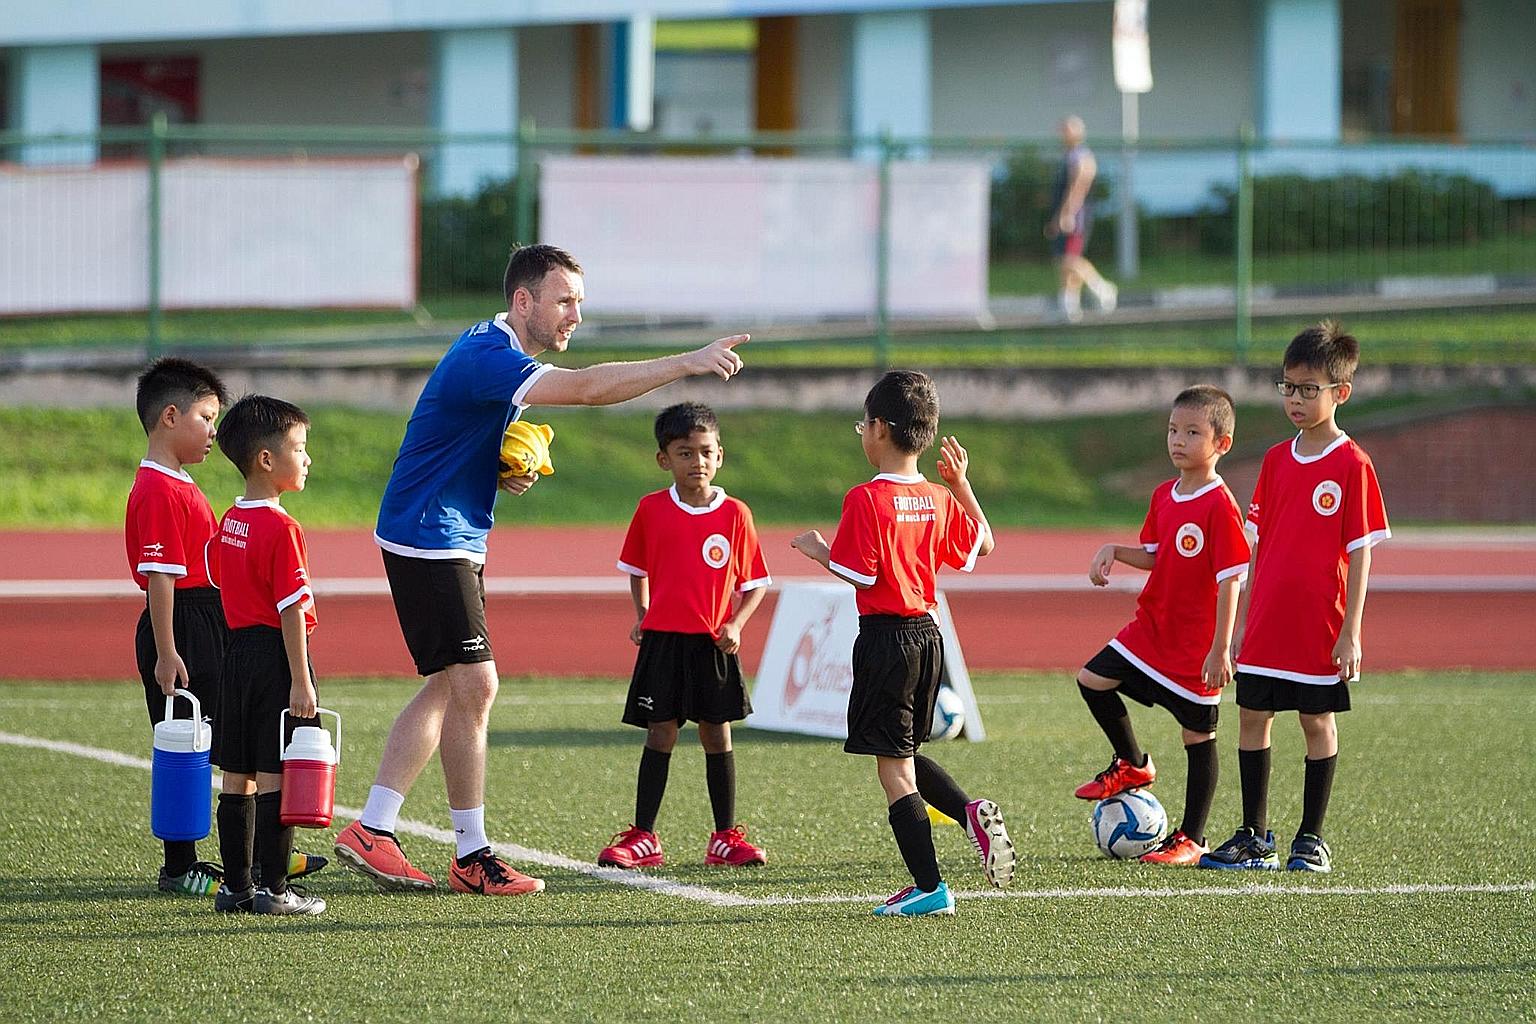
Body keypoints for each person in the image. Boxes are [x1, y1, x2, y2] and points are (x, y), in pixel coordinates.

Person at [335, 244, 750, 896]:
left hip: (447, 533)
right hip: (430, 535)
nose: (576, 315)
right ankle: (467, 854)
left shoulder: (497, 354)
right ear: (523, 300)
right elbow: (588, 388)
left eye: (580, 302)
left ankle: (377, 828)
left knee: (453, 686)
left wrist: (504, 466)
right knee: (478, 684)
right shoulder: (488, 356)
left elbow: (460, 435)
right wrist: (687, 363)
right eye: (565, 301)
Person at [790, 370, 1015, 917]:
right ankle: (968, 811)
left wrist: (818, 549)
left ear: (880, 429)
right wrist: (961, 485)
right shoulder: (938, 497)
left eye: (862, 425)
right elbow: (982, 545)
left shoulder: (866, 498)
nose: (861, 434)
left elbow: (859, 573)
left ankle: (930, 887)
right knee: (907, 754)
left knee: (892, 768)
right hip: (929, 636)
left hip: (886, 639)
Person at [1200, 322, 1390, 874]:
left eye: (1310, 389)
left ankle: (1311, 838)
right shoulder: (1276, 461)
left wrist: (1351, 630)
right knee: (1253, 716)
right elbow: (1255, 547)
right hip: (1266, 623)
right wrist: (1237, 628)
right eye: (1288, 387)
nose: (1296, 400)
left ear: (1340, 393)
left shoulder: (1352, 464)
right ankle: (1255, 836)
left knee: (1315, 723)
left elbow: (1361, 555)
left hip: (1319, 625)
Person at [1073, 385, 1251, 866]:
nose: (1178, 440)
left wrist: (1222, 648)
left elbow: (1232, 578)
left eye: (1193, 432)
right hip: (1151, 630)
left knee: (1198, 738)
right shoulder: (1163, 495)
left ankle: (1192, 838)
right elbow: (1156, 554)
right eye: (1173, 430)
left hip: (1196, 644)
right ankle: (1133, 764)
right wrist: (1115, 550)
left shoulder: (1220, 505)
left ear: (1221, 443)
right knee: (1092, 681)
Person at [598, 403, 772, 870]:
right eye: (684, 452)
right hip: (663, 641)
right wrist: (642, 613)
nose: (697, 461)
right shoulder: (651, 509)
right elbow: (637, 570)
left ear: (720, 456)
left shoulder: (736, 514)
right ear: (664, 459)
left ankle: (725, 837)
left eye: (705, 452)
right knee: (661, 733)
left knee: (718, 734)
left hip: (712, 643)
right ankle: (643, 836)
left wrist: (735, 624)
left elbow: (754, 584)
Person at [207, 395, 326, 915]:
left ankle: (234, 887)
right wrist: (301, 680)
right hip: (276, 657)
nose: (306, 459)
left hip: (235, 656)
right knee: (278, 771)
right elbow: (291, 610)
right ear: (265, 460)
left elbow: (217, 577)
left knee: (237, 772)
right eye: (299, 448)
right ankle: (275, 889)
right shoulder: (283, 528)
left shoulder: (230, 519)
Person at [126, 357, 231, 896]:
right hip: (184, 625)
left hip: (205, 617)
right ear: (170, 416)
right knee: (186, 743)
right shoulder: (159, 489)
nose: (213, 431)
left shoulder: (178, 480)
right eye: (206, 418)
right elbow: (161, 579)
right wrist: (168, 652)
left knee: (218, 735)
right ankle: (182, 866)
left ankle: (250, 850)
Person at [1046, 115, 1117, 323]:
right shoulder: (1066, 156)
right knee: (1064, 262)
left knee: (1070, 259)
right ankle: (1069, 306)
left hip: (1077, 217)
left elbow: (1078, 187)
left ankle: (1102, 289)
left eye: (1068, 129)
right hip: (1063, 215)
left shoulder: (1082, 156)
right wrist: (1056, 216)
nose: (1064, 134)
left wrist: (1067, 213)